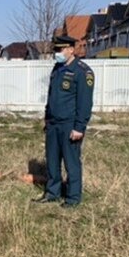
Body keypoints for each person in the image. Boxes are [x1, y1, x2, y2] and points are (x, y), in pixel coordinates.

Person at [35, 35, 94, 208]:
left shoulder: (83, 72)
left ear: (71, 49)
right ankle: (52, 193)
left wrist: (79, 127)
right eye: (56, 50)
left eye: (60, 50)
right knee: (52, 161)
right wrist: (47, 118)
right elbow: (51, 96)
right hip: (53, 124)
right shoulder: (57, 69)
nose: (57, 53)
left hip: (70, 125)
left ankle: (73, 198)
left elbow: (85, 103)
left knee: (71, 162)